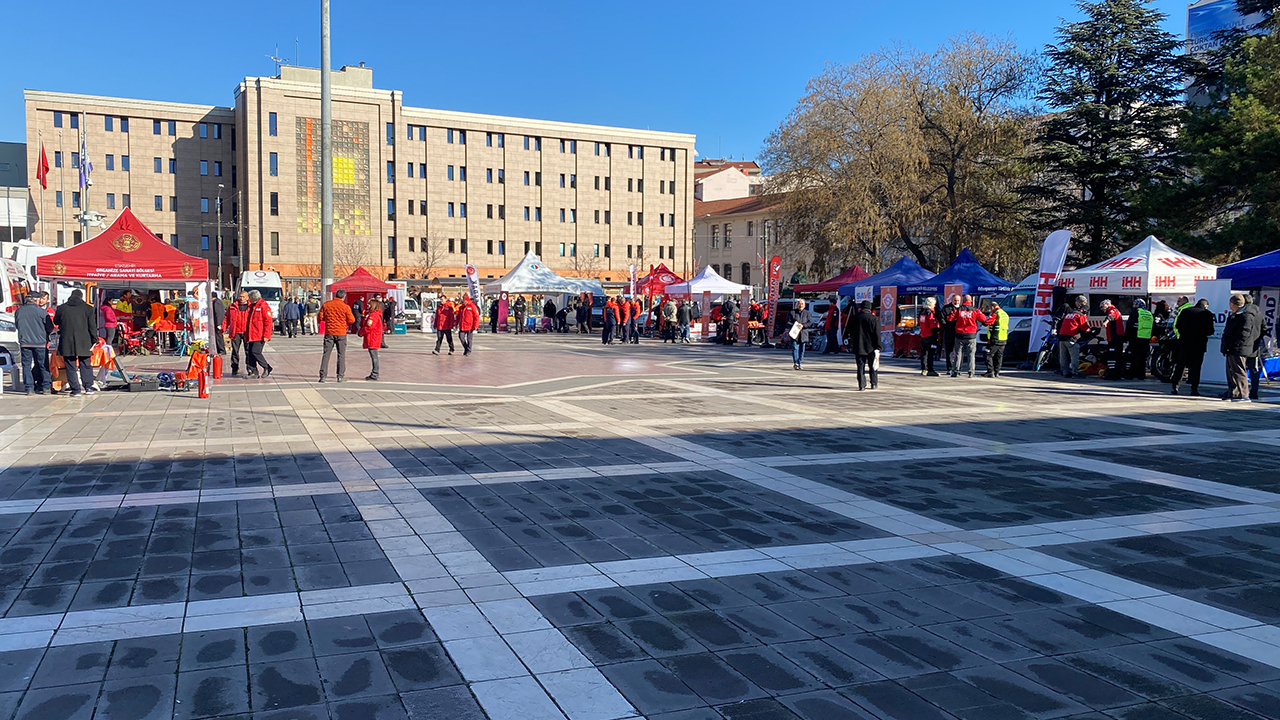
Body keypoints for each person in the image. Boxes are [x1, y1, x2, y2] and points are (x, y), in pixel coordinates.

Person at [53, 288, 98, 397]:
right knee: (85, 365)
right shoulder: (88, 309)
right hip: (84, 340)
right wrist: (94, 340)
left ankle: (75, 390)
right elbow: (92, 326)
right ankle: (88, 387)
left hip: (67, 340)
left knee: (70, 366)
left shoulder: (62, 308)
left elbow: (56, 321)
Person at [1221, 293, 1262, 402]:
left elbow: (1244, 333)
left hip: (1239, 347)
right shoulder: (1236, 314)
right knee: (1231, 371)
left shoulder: (1246, 315)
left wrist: (1236, 343)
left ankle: (1243, 394)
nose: (1229, 305)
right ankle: (1233, 392)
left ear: (1235, 304)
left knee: (1239, 371)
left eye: (1230, 303)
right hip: (1232, 347)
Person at [1170, 298, 1214, 396]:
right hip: (1199, 345)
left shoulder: (1185, 311)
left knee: (1180, 366)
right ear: (1206, 306)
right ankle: (1194, 389)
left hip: (1184, 343)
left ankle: (1175, 387)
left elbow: (1177, 325)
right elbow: (1210, 331)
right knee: (1196, 367)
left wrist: (1184, 333)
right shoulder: (1207, 314)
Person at [16, 291, 54, 395]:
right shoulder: (41, 312)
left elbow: (17, 325)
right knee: (43, 365)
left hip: (25, 342)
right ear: (36, 300)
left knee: (26, 365)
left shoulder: (19, 311)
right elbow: (50, 327)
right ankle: (46, 387)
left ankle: (29, 388)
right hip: (40, 343)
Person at [319, 290, 356, 382]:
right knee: (341, 355)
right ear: (343, 297)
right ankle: (340, 376)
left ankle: (322, 376)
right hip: (341, 333)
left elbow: (320, 317)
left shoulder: (326, 305)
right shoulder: (345, 307)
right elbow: (351, 320)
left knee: (326, 354)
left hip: (329, 332)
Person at [950, 295, 989, 378]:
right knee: (971, 354)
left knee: (958, 353)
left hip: (959, 334)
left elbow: (950, 318)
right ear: (971, 300)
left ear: (962, 300)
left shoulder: (958, 310)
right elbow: (983, 319)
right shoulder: (975, 310)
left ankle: (956, 371)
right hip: (971, 334)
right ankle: (971, 372)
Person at [848, 300, 882, 390]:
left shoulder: (855, 318)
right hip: (871, 346)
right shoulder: (873, 318)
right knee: (873, 366)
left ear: (861, 308)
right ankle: (874, 383)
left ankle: (862, 384)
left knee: (860, 366)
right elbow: (877, 334)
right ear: (870, 308)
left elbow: (850, 331)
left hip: (859, 345)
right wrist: (879, 346)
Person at [244, 290, 274, 378]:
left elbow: (268, 322)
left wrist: (267, 335)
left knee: (256, 351)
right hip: (251, 334)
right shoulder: (252, 306)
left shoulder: (263, 306)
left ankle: (266, 367)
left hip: (259, 335)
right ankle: (253, 372)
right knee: (250, 353)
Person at [1057, 296, 1089, 378]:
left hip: (1061, 338)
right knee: (1074, 357)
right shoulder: (1080, 315)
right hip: (1071, 338)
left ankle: (1065, 373)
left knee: (1063, 357)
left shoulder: (1069, 314)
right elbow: (1084, 328)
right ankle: (1075, 373)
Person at [1124, 298, 1154, 380]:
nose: (1133, 306)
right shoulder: (1149, 314)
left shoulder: (1135, 313)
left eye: (1135, 304)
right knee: (1142, 358)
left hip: (1135, 338)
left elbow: (1130, 326)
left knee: (1133, 357)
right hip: (1146, 339)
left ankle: (1131, 374)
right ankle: (1141, 375)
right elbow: (1153, 327)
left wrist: (1126, 337)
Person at [225, 291, 250, 377]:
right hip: (236, 332)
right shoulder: (233, 306)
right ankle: (235, 368)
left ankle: (250, 368)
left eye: (243, 297)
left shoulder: (251, 307)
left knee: (248, 351)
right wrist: (223, 328)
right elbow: (226, 318)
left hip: (247, 332)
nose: (241, 298)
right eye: (240, 296)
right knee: (235, 351)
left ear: (247, 297)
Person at [1099, 299, 1125, 380]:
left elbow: (1111, 317)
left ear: (1107, 304)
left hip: (1115, 338)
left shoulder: (1113, 310)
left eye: (1102, 306)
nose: (1101, 308)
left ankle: (1113, 374)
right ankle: (1115, 373)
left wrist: (1106, 321)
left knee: (1113, 356)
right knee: (1116, 356)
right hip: (1116, 338)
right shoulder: (1114, 311)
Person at [983, 300, 1010, 378]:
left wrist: (983, 320)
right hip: (1003, 338)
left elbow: (988, 322)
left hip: (995, 338)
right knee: (999, 355)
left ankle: (990, 372)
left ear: (992, 307)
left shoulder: (996, 314)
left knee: (988, 355)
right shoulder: (1005, 314)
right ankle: (997, 372)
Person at [360, 297, 384, 381]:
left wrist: (361, 332)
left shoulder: (373, 316)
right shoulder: (371, 314)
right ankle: (374, 372)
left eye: (369, 304)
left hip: (372, 338)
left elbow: (369, 327)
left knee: (374, 356)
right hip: (372, 337)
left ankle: (375, 373)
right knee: (374, 356)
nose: (367, 305)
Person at [917, 297, 941, 377]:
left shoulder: (922, 312)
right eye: (934, 304)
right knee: (930, 353)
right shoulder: (929, 313)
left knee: (924, 353)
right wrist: (938, 329)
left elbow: (920, 323)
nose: (934, 305)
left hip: (924, 334)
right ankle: (930, 369)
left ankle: (924, 368)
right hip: (930, 335)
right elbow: (932, 324)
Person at [785, 299, 810, 370]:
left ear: (804, 305)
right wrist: (795, 325)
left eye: (802, 304)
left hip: (803, 334)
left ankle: (799, 363)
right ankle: (796, 363)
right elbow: (787, 322)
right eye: (799, 304)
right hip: (795, 334)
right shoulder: (792, 312)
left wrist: (803, 325)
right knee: (795, 348)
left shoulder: (807, 313)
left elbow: (810, 323)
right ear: (797, 305)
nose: (801, 305)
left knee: (802, 350)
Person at [940, 294, 960, 373]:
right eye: (955, 300)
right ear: (952, 300)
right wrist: (946, 326)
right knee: (949, 351)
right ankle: (949, 367)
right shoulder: (946, 308)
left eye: (958, 300)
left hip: (959, 332)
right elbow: (941, 318)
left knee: (959, 351)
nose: (956, 302)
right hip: (949, 332)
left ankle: (957, 368)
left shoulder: (962, 308)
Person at [210, 290, 226, 355]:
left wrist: (218, 323)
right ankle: (219, 349)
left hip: (218, 323)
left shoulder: (216, 303)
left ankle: (222, 350)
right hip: (217, 322)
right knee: (217, 336)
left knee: (218, 337)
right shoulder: (217, 302)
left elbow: (218, 313)